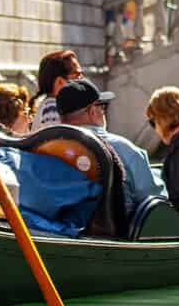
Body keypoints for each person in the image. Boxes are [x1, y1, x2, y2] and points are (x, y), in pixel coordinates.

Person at [56, 78, 164, 217]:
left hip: (62, 228)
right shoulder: (124, 149)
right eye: (102, 107)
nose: (104, 112)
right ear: (93, 111)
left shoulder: (47, 148)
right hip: (117, 232)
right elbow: (153, 200)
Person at [34, 49, 83, 128]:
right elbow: (60, 140)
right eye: (77, 75)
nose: (82, 79)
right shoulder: (52, 108)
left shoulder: (55, 106)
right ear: (59, 82)